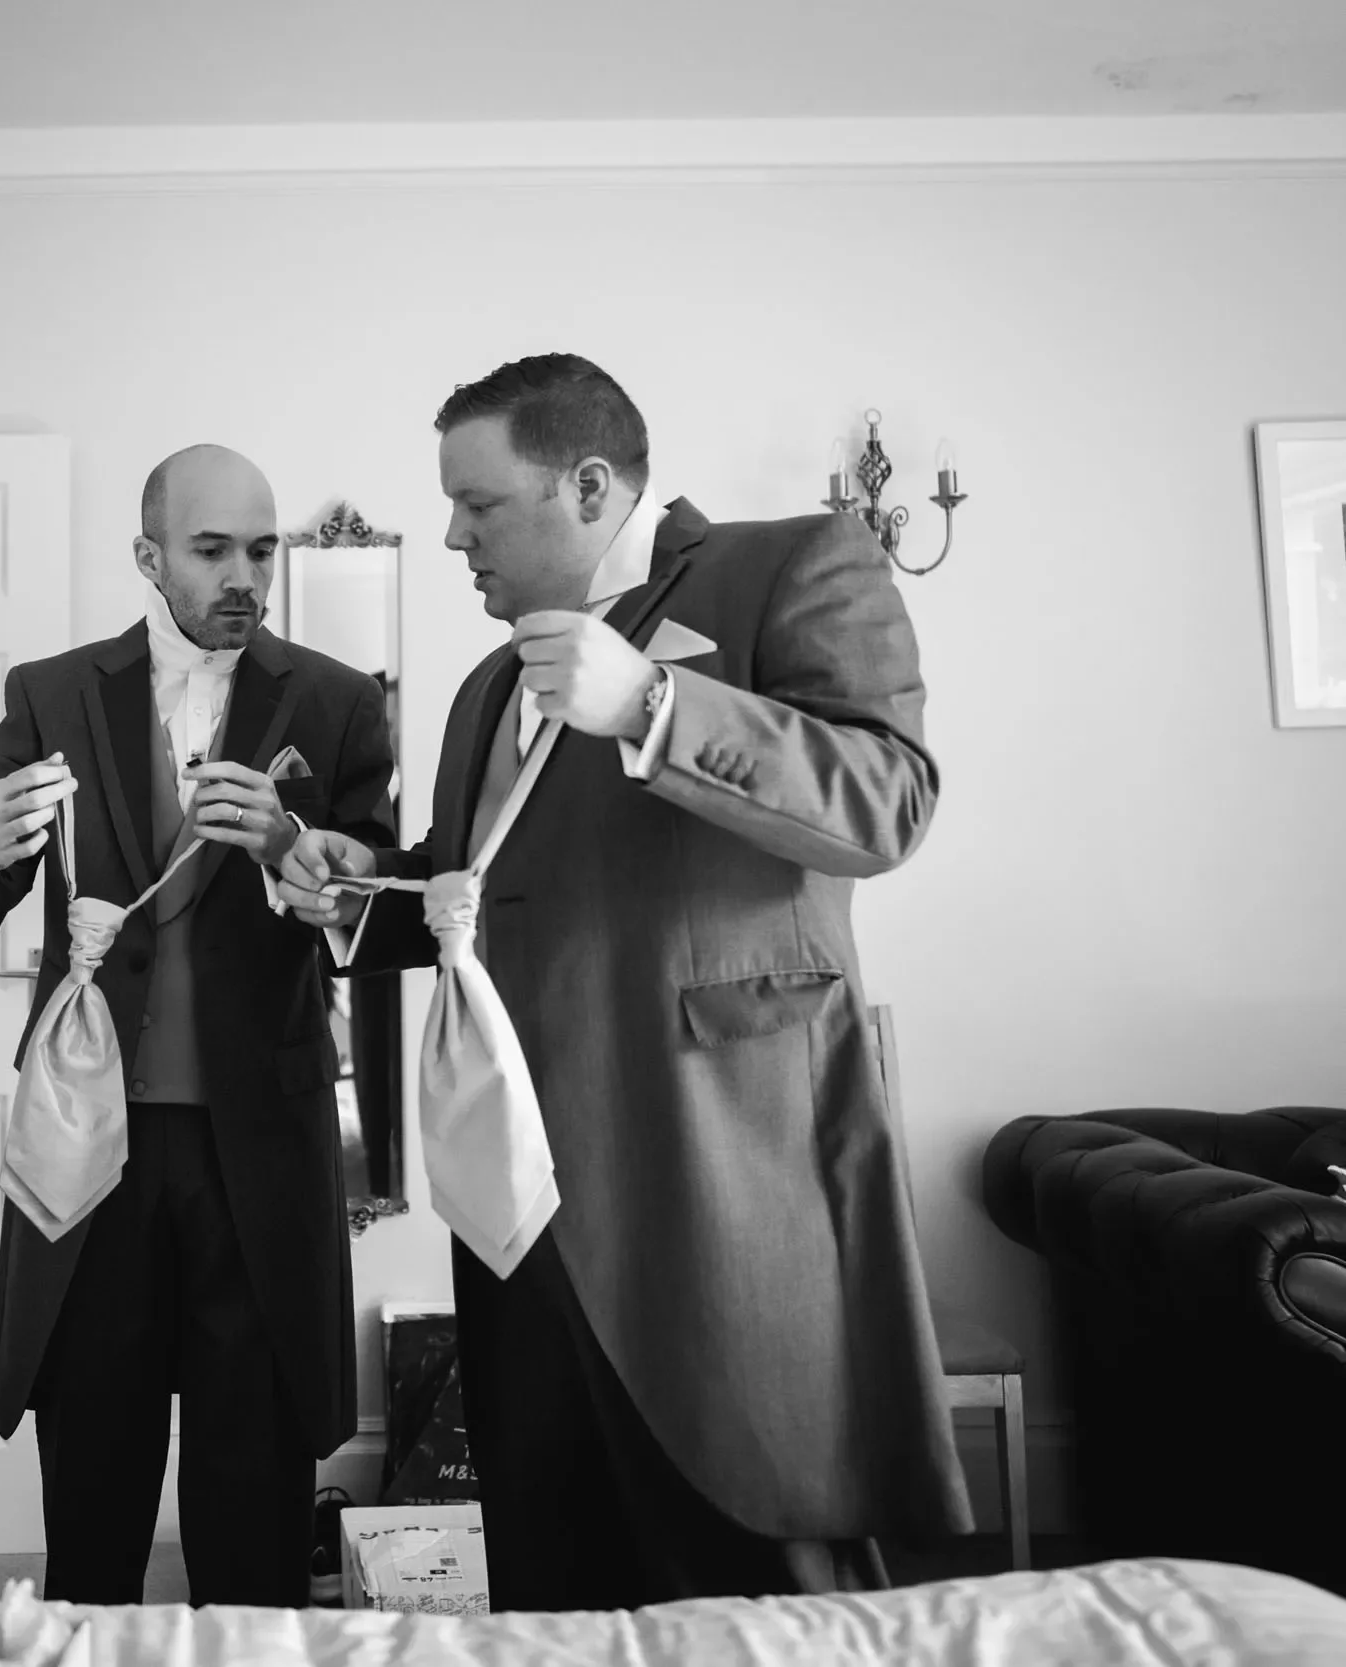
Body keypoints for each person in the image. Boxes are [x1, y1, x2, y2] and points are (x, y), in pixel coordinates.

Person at [279, 355, 972, 1608]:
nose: (452, 535)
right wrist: (359, 885)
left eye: (478, 505)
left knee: (755, 1584)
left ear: (588, 484)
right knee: (554, 1573)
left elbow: (886, 801)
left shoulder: (792, 564)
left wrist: (656, 702)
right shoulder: (491, 683)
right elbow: (480, 888)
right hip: (515, 1205)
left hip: (712, 1180)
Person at [0, 444, 394, 1607]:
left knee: (254, 1528)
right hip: (93, 1155)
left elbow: (375, 919)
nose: (245, 574)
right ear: (148, 555)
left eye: (261, 548)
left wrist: (295, 855)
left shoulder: (334, 702)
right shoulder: (52, 691)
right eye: (212, 548)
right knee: (91, 1505)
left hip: (261, 1156)